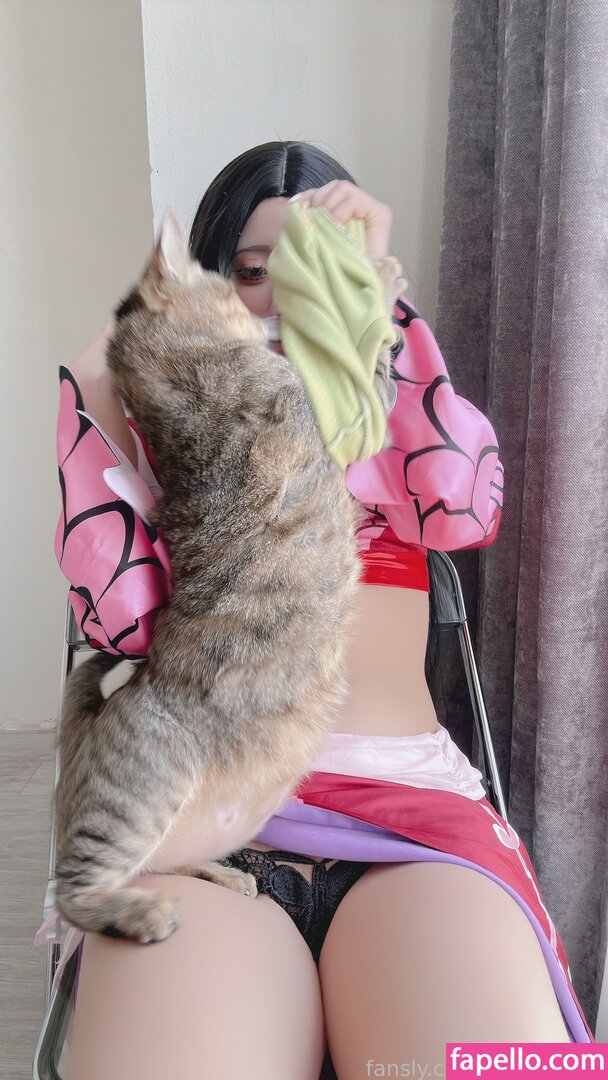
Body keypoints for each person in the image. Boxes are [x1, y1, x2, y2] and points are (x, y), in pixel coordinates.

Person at [50, 142, 592, 1080]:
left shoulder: (388, 419)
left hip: (411, 825)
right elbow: (119, 619)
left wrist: (377, 305)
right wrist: (96, 387)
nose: (279, 299)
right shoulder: (174, 423)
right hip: (206, 814)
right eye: (252, 271)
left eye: (311, 266)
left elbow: (464, 504)